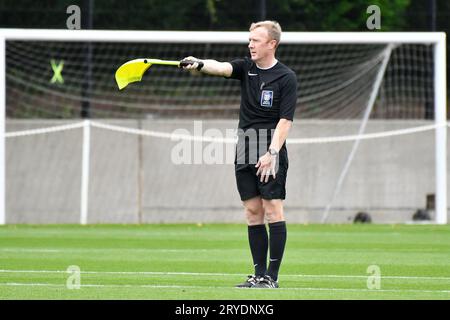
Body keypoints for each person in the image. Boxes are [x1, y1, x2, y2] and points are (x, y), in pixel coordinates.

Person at [181, 20, 298, 288]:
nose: (250, 44)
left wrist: (272, 152)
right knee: (252, 211)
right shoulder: (246, 68)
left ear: (272, 44)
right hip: (245, 145)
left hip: (269, 148)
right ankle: (258, 275)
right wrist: (199, 63)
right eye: (249, 39)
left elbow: (285, 121)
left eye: (256, 40)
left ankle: (272, 277)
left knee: (272, 209)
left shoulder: (286, 77)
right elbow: (221, 68)